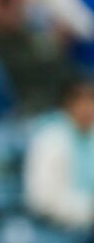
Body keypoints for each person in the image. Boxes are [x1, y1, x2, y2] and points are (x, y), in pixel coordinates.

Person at [23, 77, 94, 229]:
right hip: (59, 228)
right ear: (67, 103)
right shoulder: (49, 139)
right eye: (81, 100)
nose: (88, 107)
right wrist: (87, 209)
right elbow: (42, 200)